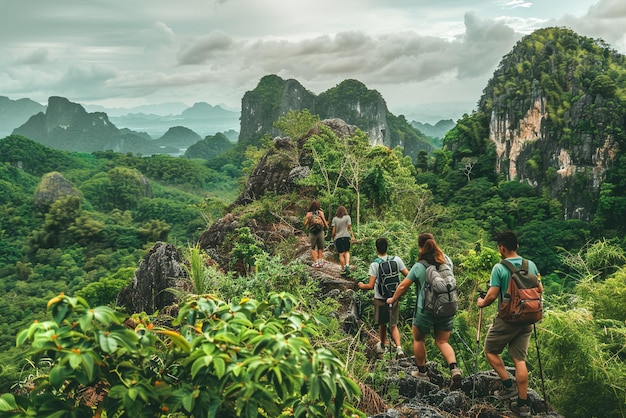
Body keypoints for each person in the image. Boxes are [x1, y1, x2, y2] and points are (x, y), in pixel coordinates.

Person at [477, 230, 543, 417]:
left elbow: (491, 296)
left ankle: (508, 385)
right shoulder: (531, 265)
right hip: (528, 319)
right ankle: (522, 405)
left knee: (490, 350)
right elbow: (540, 289)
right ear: (517, 247)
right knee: (519, 360)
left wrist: (481, 303)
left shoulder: (499, 268)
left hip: (508, 319)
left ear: (502, 248)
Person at [386, 233, 462, 390]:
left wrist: (393, 300)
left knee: (419, 339)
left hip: (425, 310)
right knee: (442, 341)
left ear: (421, 247)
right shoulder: (447, 260)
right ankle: (454, 369)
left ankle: (421, 372)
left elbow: (403, 286)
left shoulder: (420, 266)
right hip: (447, 308)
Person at [358, 237, 409, 359]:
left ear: (376, 249)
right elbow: (408, 275)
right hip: (394, 297)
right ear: (387, 248)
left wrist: (361, 285)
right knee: (394, 324)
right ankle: (399, 348)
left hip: (380, 298)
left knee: (382, 324)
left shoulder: (375, 264)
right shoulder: (396, 260)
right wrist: (400, 290)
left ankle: (383, 346)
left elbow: (370, 286)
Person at [331, 205, 355, 276]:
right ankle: (347, 265)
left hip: (338, 238)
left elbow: (333, 231)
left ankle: (343, 269)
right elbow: (349, 227)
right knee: (347, 252)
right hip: (347, 236)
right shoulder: (347, 217)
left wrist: (333, 237)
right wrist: (352, 236)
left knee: (341, 254)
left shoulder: (335, 219)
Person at [304, 200, 329, 268]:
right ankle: (320, 261)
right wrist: (327, 227)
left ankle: (316, 262)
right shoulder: (320, 213)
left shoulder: (309, 213)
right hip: (320, 232)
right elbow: (324, 222)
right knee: (320, 247)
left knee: (312, 248)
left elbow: (305, 224)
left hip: (312, 232)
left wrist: (308, 220)